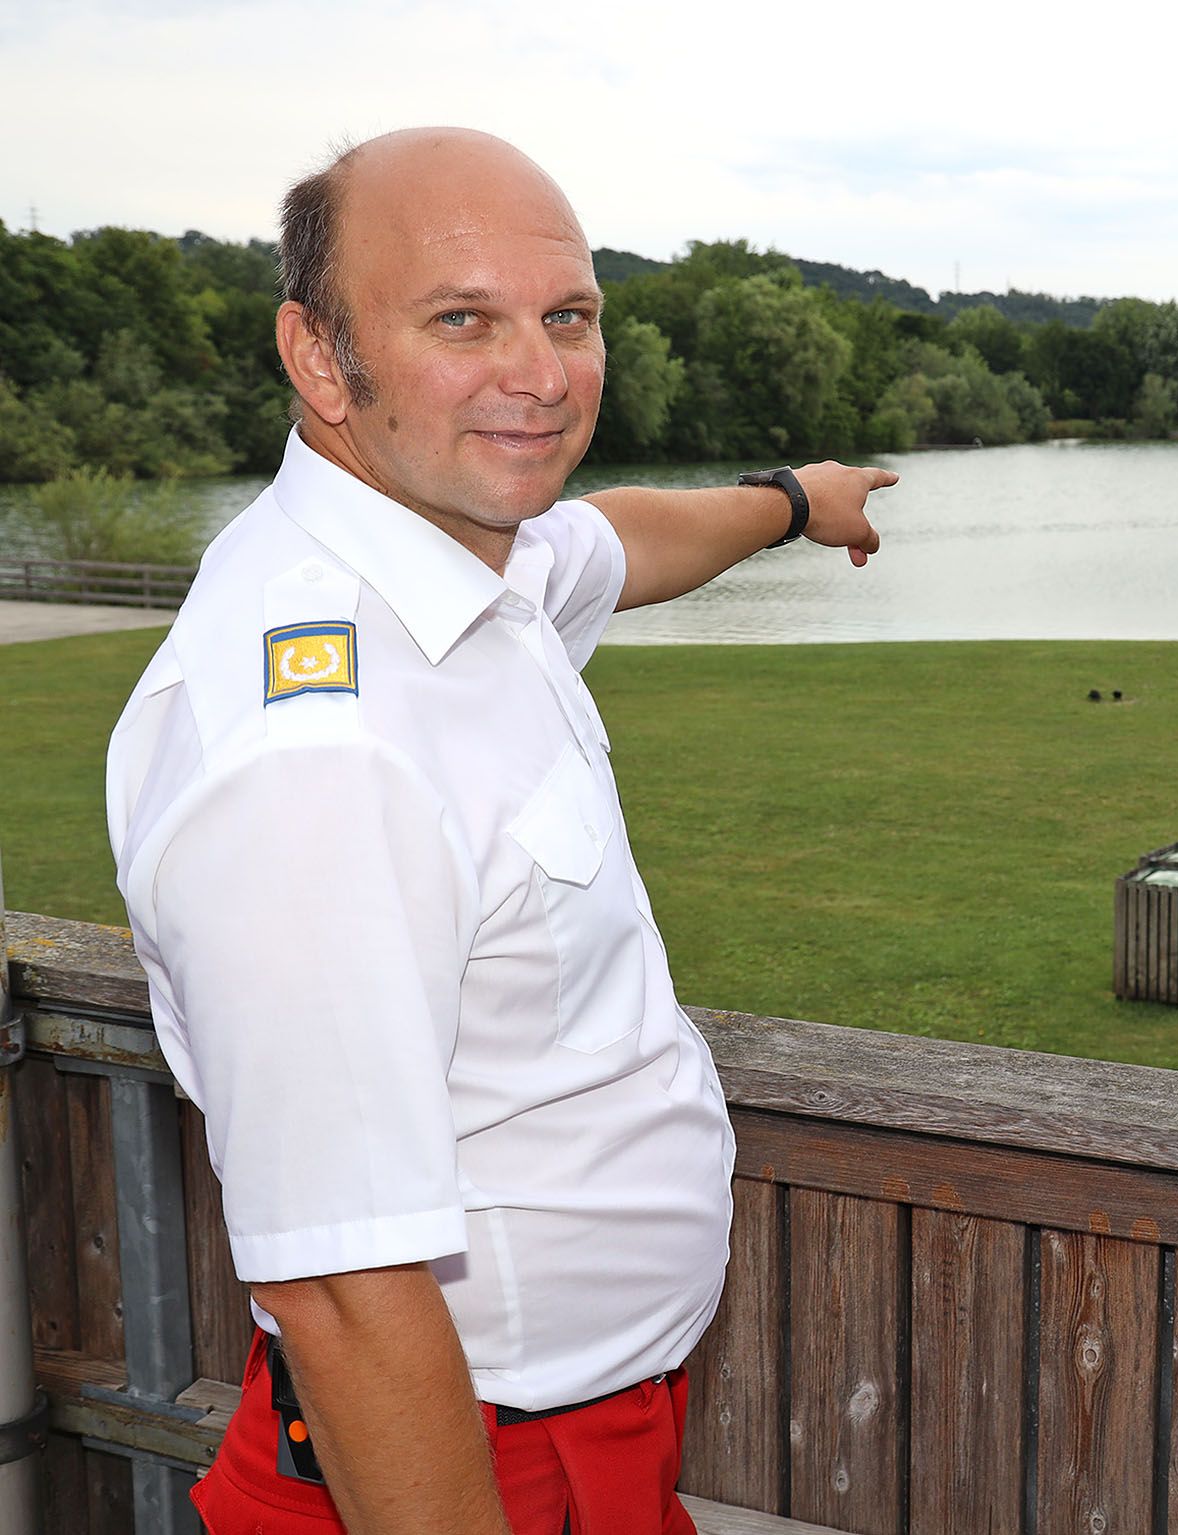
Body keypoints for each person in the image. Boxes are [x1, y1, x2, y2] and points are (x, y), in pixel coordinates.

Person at [105, 127, 895, 1534]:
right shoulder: (320, 757)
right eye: (462, 321)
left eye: (567, 317)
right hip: (457, 1466)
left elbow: (623, 541)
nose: (539, 373)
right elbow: (345, 1287)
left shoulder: (469, 561)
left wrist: (790, 504)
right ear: (321, 356)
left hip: (575, 1436)